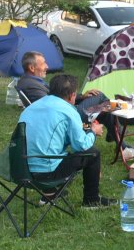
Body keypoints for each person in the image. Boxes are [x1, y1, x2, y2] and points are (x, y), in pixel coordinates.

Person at [19, 74, 115, 209]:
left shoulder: (32, 107)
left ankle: (49, 195)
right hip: (44, 174)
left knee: (49, 151)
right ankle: (91, 200)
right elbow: (81, 146)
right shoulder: (69, 111)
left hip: (21, 168)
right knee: (92, 153)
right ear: (72, 95)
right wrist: (93, 131)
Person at [16, 51, 125, 146]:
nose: (47, 66)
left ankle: (121, 143)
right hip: (67, 117)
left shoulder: (30, 81)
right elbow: (53, 105)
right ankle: (120, 114)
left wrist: (82, 97)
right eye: (43, 63)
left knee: (104, 110)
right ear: (32, 67)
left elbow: (57, 96)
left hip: (63, 113)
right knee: (99, 96)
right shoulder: (31, 85)